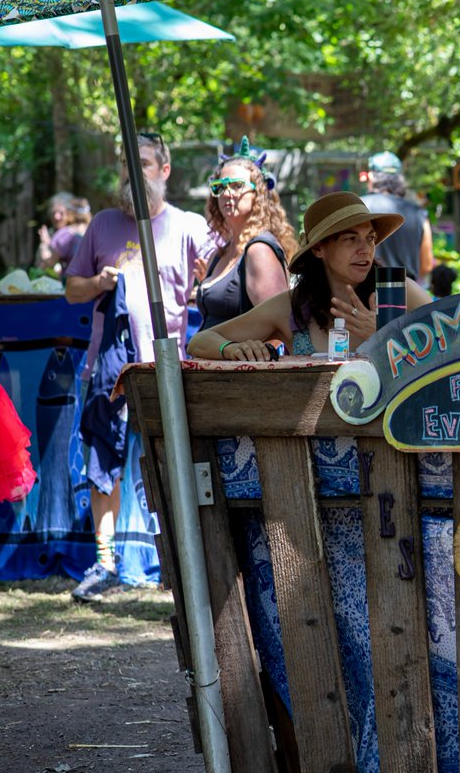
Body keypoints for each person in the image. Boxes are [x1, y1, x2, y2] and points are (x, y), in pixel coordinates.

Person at [64, 132, 215, 602]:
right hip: (109, 366)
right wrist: (96, 282)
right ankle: (105, 563)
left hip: (165, 365)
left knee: (170, 464)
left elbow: (217, 279)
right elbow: (71, 290)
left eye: (144, 162)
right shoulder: (103, 224)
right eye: (128, 164)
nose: (134, 171)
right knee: (102, 462)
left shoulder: (187, 226)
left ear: (164, 171)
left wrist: (201, 284)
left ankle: (178, 560)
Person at [187, 191, 431, 361]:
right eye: (349, 238)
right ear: (318, 248)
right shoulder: (290, 306)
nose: (365, 249)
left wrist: (385, 333)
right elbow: (200, 341)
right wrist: (231, 349)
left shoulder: (399, 292)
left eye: (370, 238)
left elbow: (456, 339)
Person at [196, 137, 298, 331]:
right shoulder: (218, 255)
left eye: (236, 185)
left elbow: (280, 328)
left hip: (239, 361)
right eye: (220, 186)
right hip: (206, 359)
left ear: (257, 194)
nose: (227, 193)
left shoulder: (260, 251)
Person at [361, 151, 434, 284]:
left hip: (366, 294)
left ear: (371, 177)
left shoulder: (359, 207)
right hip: (406, 296)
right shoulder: (419, 213)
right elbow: (427, 265)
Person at [36, 192, 91, 276]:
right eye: (53, 213)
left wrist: (44, 244)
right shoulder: (94, 229)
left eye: (61, 213)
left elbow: (47, 263)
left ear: (70, 213)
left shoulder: (65, 235)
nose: (56, 217)